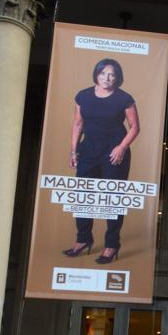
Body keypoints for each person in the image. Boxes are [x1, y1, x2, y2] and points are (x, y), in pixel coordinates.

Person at [65, 58, 141, 264]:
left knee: (112, 200)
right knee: (82, 197)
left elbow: (134, 127)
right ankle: (83, 240)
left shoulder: (124, 98)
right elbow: (78, 124)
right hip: (88, 151)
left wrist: (122, 147)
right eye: (103, 74)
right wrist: (74, 151)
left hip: (113, 153)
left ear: (117, 77)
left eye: (112, 74)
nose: (107, 78)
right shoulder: (83, 96)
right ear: (96, 75)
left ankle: (111, 245)